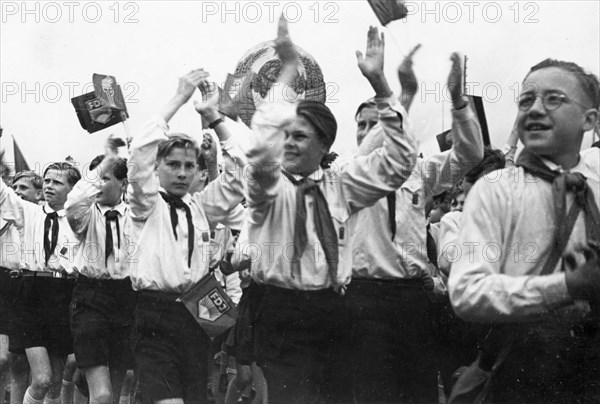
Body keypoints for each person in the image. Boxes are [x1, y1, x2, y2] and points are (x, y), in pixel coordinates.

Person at [243, 18, 417, 403]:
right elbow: (260, 152)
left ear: (324, 146)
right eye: (285, 136)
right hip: (281, 313)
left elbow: (401, 161)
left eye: (299, 136)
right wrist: (287, 71)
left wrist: (383, 88)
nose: (287, 144)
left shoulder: (342, 185)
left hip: (335, 311)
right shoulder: (270, 188)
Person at [448, 59, 600, 402]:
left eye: (553, 99)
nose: (534, 109)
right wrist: (566, 286)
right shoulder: (495, 189)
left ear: (589, 120)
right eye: (525, 100)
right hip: (526, 368)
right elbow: (466, 291)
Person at [346, 49, 484, 402]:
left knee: (419, 391)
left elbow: (471, 155)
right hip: (366, 299)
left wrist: (457, 100)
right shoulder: (346, 175)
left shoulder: (417, 173)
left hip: (412, 298)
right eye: (361, 125)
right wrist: (397, 96)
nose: (367, 131)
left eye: (374, 123)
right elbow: (372, 156)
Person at [127, 69, 245, 404]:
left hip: (197, 311)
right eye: (173, 164)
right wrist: (179, 99)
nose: (181, 172)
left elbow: (241, 174)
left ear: (198, 170)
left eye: (189, 166)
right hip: (154, 315)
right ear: (158, 167)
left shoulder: (202, 205)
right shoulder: (145, 204)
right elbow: (137, 155)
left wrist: (214, 117)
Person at [1, 160, 82, 404]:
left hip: (63, 295)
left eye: (57, 182)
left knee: (55, 383)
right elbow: (3, 193)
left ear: (72, 189)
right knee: (42, 379)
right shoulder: (29, 211)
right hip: (32, 293)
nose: (49, 186)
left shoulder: (80, 219)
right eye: (47, 181)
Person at [64, 143, 135, 404]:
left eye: (104, 179)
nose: (96, 185)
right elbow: (73, 203)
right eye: (93, 179)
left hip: (127, 297)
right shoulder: (85, 215)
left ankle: (87, 380)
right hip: (91, 296)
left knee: (115, 391)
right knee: (102, 395)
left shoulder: (136, 216)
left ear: (123, 184)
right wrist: (103, 163)